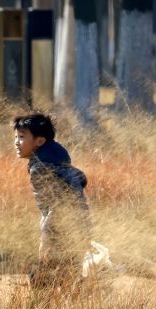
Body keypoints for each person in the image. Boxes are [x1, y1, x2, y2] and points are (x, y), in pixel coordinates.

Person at [13, 113, 93, 286]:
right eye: (16, 137)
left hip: (62, 228)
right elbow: (79, 180)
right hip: (80, 224)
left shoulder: (40, 168)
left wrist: (46, 237)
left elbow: (58, 206)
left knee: (42, 280)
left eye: (21, 137)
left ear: (40, 141)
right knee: (69, 277)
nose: (16, 142)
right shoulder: (58, 162)